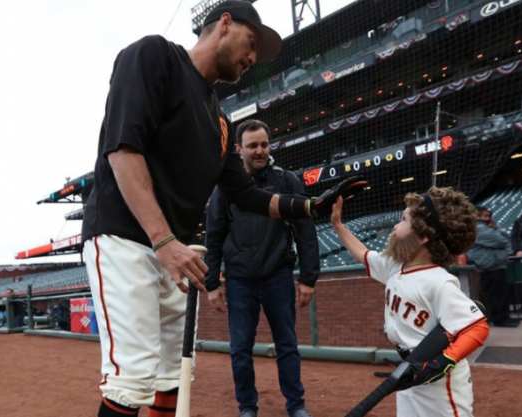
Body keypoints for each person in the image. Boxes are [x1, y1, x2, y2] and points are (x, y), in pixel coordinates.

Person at [80, 2, 366, 416]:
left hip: (173, 253)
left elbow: (248, 195)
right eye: (251, 44)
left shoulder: (220, 121)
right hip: (124, 237)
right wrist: (163, 240)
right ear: (225, 25)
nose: (254, 58)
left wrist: (312, 207)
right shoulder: (154, 55)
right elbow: (122, 150)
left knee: (171, 378)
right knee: (133, 378)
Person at [330, 188, 489, 417]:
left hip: (439, 383)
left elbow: (477, 327)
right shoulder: (395, 265)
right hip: (408, 371)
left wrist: (442, 362)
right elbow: (364, 254)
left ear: (423, 236)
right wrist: (338, 224)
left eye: (403, 220)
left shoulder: (439, 282)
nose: (396, 226)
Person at [204, 119, 319, 417]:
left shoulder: (287, 180)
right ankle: (247, 408)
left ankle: (296, 405)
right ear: (239, 149)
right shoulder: (225, 188)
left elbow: (306, 230)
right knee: (240, 350)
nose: (260, 151)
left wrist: (308, 278)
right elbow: (213, 236)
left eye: (264, 145)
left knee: (287, 345)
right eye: (253, 146)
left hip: (278, 276)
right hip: (239, 281)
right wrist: (212, 283)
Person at [467, 207, 519, 327]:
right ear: (477, 216)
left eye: (488, 216)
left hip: (494, 265)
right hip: (488, 266)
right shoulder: (478, 228)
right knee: (496, 295)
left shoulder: (486, 228)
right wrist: (499, 231)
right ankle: (500, 319)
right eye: (484, 216)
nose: (488, 218)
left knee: (500, 294)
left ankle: (503, 317)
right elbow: (502, 239)